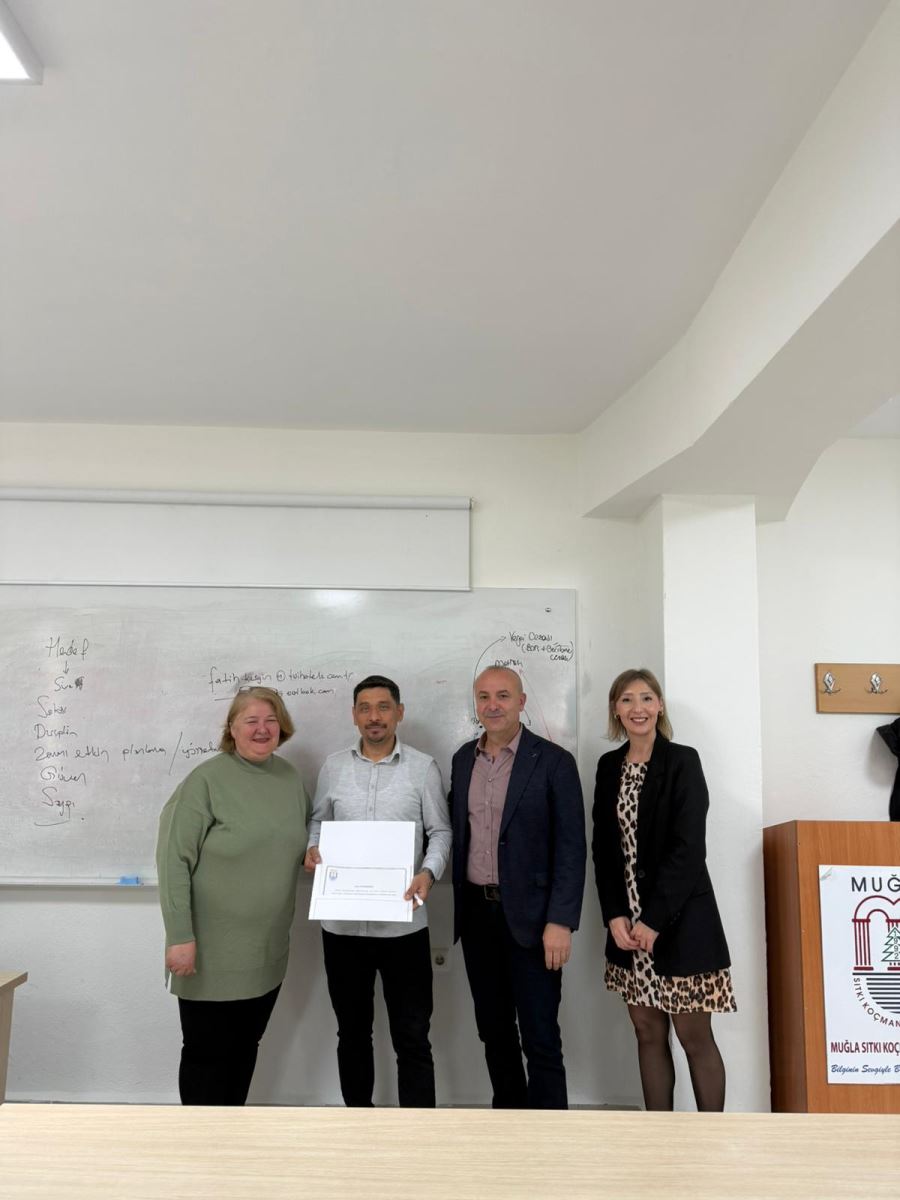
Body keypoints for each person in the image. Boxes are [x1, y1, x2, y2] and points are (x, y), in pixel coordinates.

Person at [156, 685, 309, 1105]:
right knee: (207, 1056)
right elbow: (173, 863)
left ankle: (230, 1141)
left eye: (271, 720)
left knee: (245, 1049)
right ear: (232, 729)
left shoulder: (289, 778)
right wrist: (179, 937)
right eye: (251, 720)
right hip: (210, 953)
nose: (262, 729)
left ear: (282, 726)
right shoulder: (205, 781)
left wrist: (313, 856)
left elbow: (294, 843)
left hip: (267, 952)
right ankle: (201, 1150)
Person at [304, 674, 451, 1107]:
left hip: (403, 928)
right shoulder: (332, 767)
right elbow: (318, 821)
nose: (374, 717)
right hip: (342, 928)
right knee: (351, 1032)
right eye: (365, 708)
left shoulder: (423, 767)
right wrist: (314, 847)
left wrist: (428, 872)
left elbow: (440, 830)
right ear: (354, 715)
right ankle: (358, 1123)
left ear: (399, 713)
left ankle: (418, 1131)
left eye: (383, 707)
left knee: (412, 1036)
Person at [592, 668, 734, 1112]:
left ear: (660, 706)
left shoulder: (682, 761)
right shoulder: (608, 766)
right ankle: (659, 1135)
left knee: (694, 1036)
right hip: (627, 927)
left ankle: (712, 1138)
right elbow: (604, 848)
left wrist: (653, 920)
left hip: (681, 922)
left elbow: (688, 850)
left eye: (647, 698)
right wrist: (616, 915)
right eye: (628, 700)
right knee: (647, 1032)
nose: (639, 708)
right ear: (616, 709)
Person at [449, 666, 585, 1109]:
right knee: (494, 1032)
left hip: (533, 921)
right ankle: (508, 1130)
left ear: (522, 702)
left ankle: (549, 1140)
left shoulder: (553, 762)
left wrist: (561, 921)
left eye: (503, 695)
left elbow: (571, 849)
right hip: (477, 917)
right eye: (484, 696)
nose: (493, 705)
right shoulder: (461, 759)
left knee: (540, 1035)